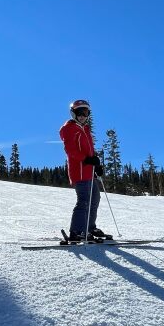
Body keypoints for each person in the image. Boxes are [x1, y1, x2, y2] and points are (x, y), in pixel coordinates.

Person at [59, 99, 111, 242]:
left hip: (88, 171)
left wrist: (96, 165)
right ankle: (76, 231)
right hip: (79, 172)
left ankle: (89, 227)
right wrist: (87, 160)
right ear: (73, 113)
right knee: (84, 201)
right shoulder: (69, 129)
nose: (82, 115)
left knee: (95, 199)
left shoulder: (85, 129)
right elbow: (70, 150)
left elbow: (90, 151)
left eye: (85, 112)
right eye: (79, 112)